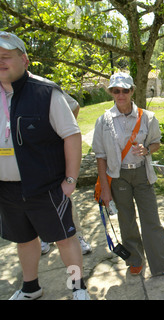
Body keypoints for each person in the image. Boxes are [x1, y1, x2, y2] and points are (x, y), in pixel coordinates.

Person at [0, 31, 89, 300]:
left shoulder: (45, 92)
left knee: (64, 239)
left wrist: (70, 181)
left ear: (24, 60)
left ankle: (78, 287)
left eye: (6, 56)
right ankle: (31, 287)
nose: (0, 61)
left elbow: (72, 136)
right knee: (24, 241)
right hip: (7, 190)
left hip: (47, 188)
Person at [92, 72, 164, 278]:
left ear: (132, 91)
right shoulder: (103, 121)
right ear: (111, 92)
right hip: (118, 177)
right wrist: (105, 189)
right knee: (126, 221)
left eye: (125, 90)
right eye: (116, 91)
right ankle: (134, 259)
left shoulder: (147, 117)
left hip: (142, 174)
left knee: (151, 220)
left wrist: (147, 150)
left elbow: (156, 143)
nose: (121, 95)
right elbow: (100, 157)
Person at [41, 91, 92, 255]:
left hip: (50, 154)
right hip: (24, 157)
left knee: (63, 196)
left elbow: (74, 105)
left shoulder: (45, 88)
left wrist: (60, 131)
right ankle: (45, 236)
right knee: (36, 199)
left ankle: (76, 235)